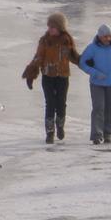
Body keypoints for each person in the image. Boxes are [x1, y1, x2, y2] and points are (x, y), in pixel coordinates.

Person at [23, 12, 80, 145]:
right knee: (50, 103)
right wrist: (31, 74)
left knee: (61, 103)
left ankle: (60, 126)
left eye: (52, 27)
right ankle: (49, 133)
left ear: (60, 27)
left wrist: (86, 63)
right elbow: (38, 57)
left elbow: (73, 56)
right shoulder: (45, 40)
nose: (50, 29)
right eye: (49, 27)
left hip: (63, 77)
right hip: (48, 76)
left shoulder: (66, 40)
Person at [77, 25, 111, 145]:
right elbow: (82, 63)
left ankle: (108, 134)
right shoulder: (92, 48)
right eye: (105, 36)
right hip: (96, 84)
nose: (108, 39)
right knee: (98, 108)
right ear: (99, 36)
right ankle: (96, 135)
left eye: (110, 36)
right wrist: (95, 73)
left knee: (109, 110)